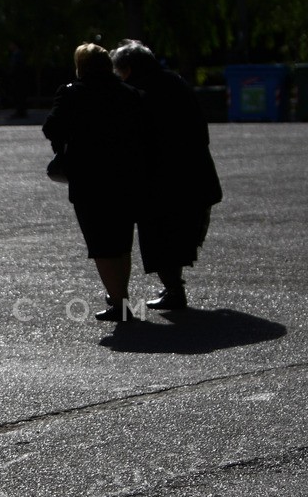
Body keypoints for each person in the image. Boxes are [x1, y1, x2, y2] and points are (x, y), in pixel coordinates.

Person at [110, 39, 222, 310]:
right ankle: (173, 287)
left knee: (159, 234)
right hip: (194, 172)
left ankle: (173, 289)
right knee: (180, 234)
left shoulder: (138, 91)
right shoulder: (175, 82)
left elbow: (136, 138)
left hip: (160, 178)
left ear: (128, 68)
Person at [42, 43, 149, 322]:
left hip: (89, 177)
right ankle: (120, 296)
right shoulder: (130, 94)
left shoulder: (72, 94)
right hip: (125, 175)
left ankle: (119, 303)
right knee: (121, 240)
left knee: (101, 243)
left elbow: (51, 127)